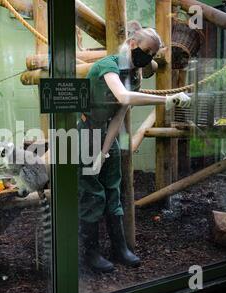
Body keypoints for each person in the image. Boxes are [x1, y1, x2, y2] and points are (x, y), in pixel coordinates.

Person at [78, 21, 191, 273]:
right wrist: (166, 99)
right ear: (131, 43)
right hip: (85, 132)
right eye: (147, 50)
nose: (149, 57)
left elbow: (119, 114)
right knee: (91, 193)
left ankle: (120, 249)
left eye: (153, 54)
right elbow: (123, 97)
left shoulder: (133, 74)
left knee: (113, 189)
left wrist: (106, 150)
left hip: (108, 132)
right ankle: (91, 253)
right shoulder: (108, 66)